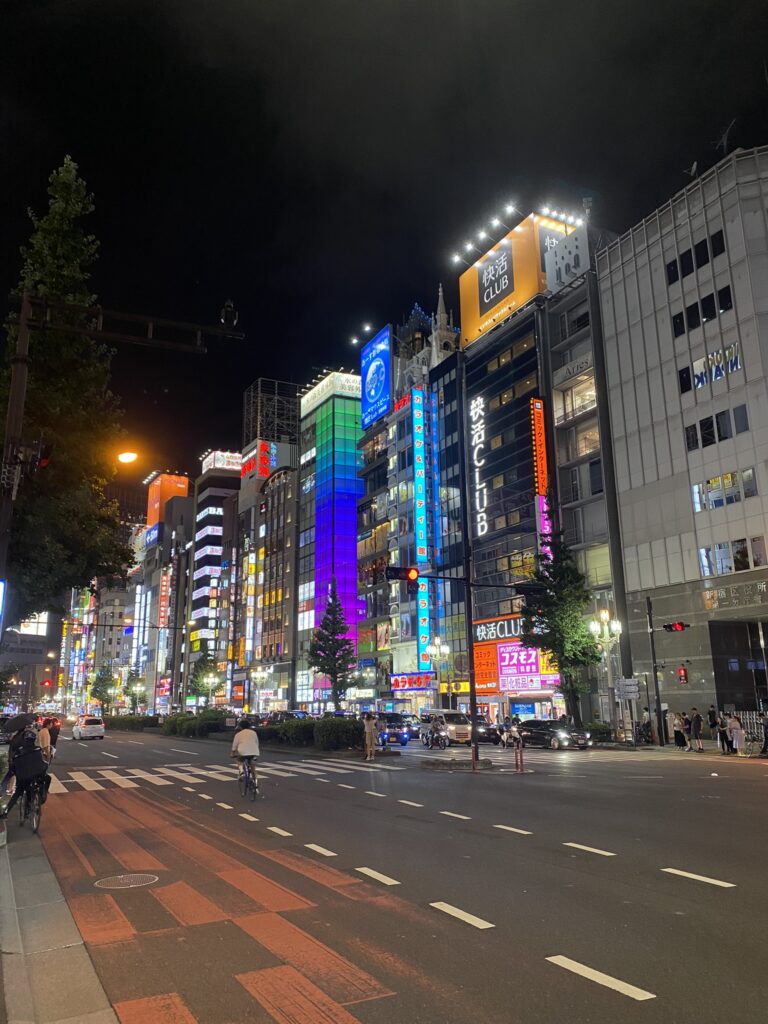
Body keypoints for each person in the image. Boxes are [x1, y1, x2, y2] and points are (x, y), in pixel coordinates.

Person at [0, 731, 50, 818]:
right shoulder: (37, 749)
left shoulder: (19, 751)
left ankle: (5, 814)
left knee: (18, 793)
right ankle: (42, 795)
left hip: (23, 777)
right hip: (37, 774)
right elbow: (42, 763)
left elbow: (14, 766)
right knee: (47, 778)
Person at [231, 718, 260, 788]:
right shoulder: (254, 733)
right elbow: (257, 743)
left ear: (240, 727)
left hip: (243, 752)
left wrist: (232, 753)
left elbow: (234, 746)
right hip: (254, 752)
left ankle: (241, 771)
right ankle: (255, 782)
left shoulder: (238, 734)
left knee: (238, 760)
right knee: (253, 767)